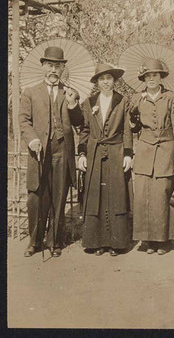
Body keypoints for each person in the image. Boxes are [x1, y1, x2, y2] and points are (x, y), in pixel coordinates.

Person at [19, 46, 83, 257]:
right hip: (39, 151)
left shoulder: (70, 92)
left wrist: (74, 104)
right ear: (43, 67)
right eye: (50, 65)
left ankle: (55, 242)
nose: (53, 70)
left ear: (63, 68)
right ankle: (34, 242)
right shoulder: (30, 92)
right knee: (37, 196)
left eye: (57, 66)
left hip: (62, 151)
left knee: (59, 196)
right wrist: (33, 139)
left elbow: (79, 123)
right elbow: (24, 121)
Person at [78, 63, 133, 256]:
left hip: (116, 151)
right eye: (102, 79)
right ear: (97, 82)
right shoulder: (89, 102)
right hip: (94, 153)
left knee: (115, 194)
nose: (106, 82)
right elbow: (84, 130)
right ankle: (97, 242)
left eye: (109, 78)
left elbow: (126, 129)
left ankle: (116, 243)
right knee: (96, 195)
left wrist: (127, 153)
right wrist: (82, 154)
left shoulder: (122, 101)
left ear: (114, 80)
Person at [129, 58, 174, 255]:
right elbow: (131, 125)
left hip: (165, 148)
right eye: (148, 76)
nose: (151, 79)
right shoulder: (137, 98)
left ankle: (163, 240)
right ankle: (147, 240)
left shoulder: (171, 98)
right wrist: (133, 110)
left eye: (155, 75)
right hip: (144, 149)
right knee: (143, 194)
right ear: (144, 78)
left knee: (161, 193)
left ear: (161, 77)